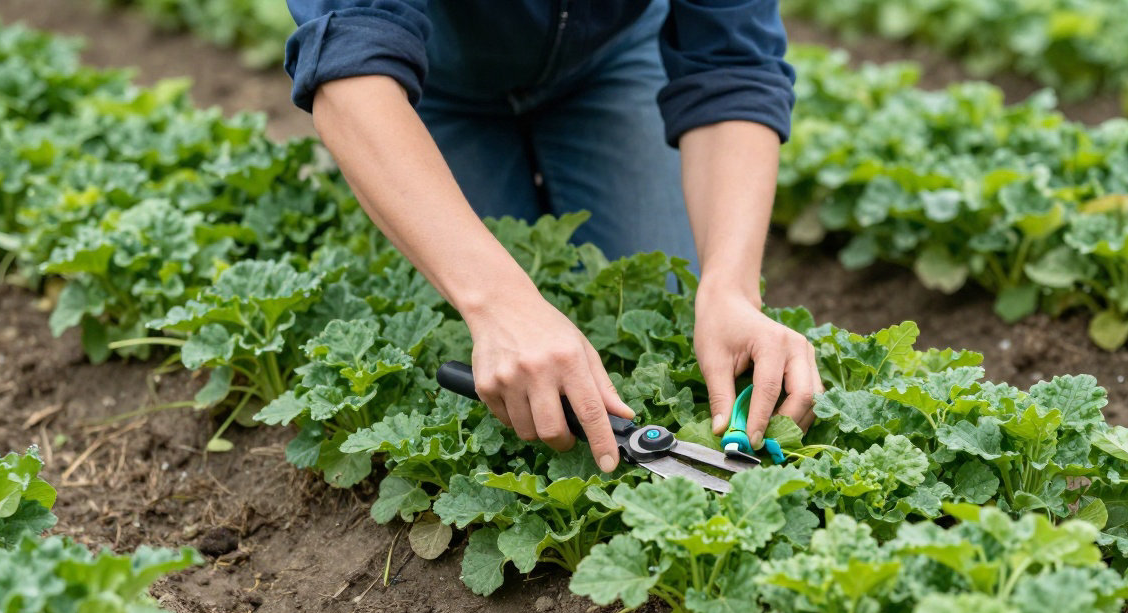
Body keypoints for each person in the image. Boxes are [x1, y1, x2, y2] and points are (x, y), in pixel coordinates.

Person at [283, 0, 820, 475]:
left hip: (609, 56)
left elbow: (731, 62)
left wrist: (731, 287)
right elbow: (349, 59)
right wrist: (499, 303)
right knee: (471, 347)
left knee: (667, 302)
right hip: (428, 76)